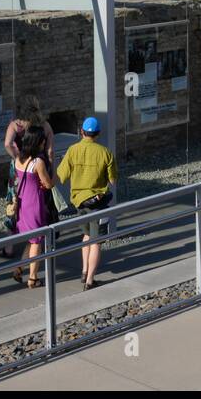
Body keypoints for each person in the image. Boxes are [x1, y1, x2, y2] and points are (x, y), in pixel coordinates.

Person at [56, 116, 118, 291]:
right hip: (97, 204)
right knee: (96, 241)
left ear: (82, 132)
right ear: (98, 134)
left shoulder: (72, 150)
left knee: (86, 236)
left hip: (79, 203)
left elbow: (61, 175)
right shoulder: (105, 153)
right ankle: (90, 280)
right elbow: (112, 181)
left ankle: (84, 271)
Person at [1, 95, 55, 258]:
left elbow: (7, 144)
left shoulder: (16, 125)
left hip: (19, 167)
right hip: (39, 165)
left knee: (15, 203)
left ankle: (9, 247)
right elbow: (50, 151)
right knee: (42, 202)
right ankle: (42, 242)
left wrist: (17, 156)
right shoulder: (44, 125)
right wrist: (49, 167)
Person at [10, 126, 54, 289]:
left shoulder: (18, 159)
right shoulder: (38, 162)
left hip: (22, 203)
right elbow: (48, 184)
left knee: (31, 239)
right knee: (37, 241)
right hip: (35, 203)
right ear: (39, 142)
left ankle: (19, 268)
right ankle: (33, 278)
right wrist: (53, 173)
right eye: (43, 141)